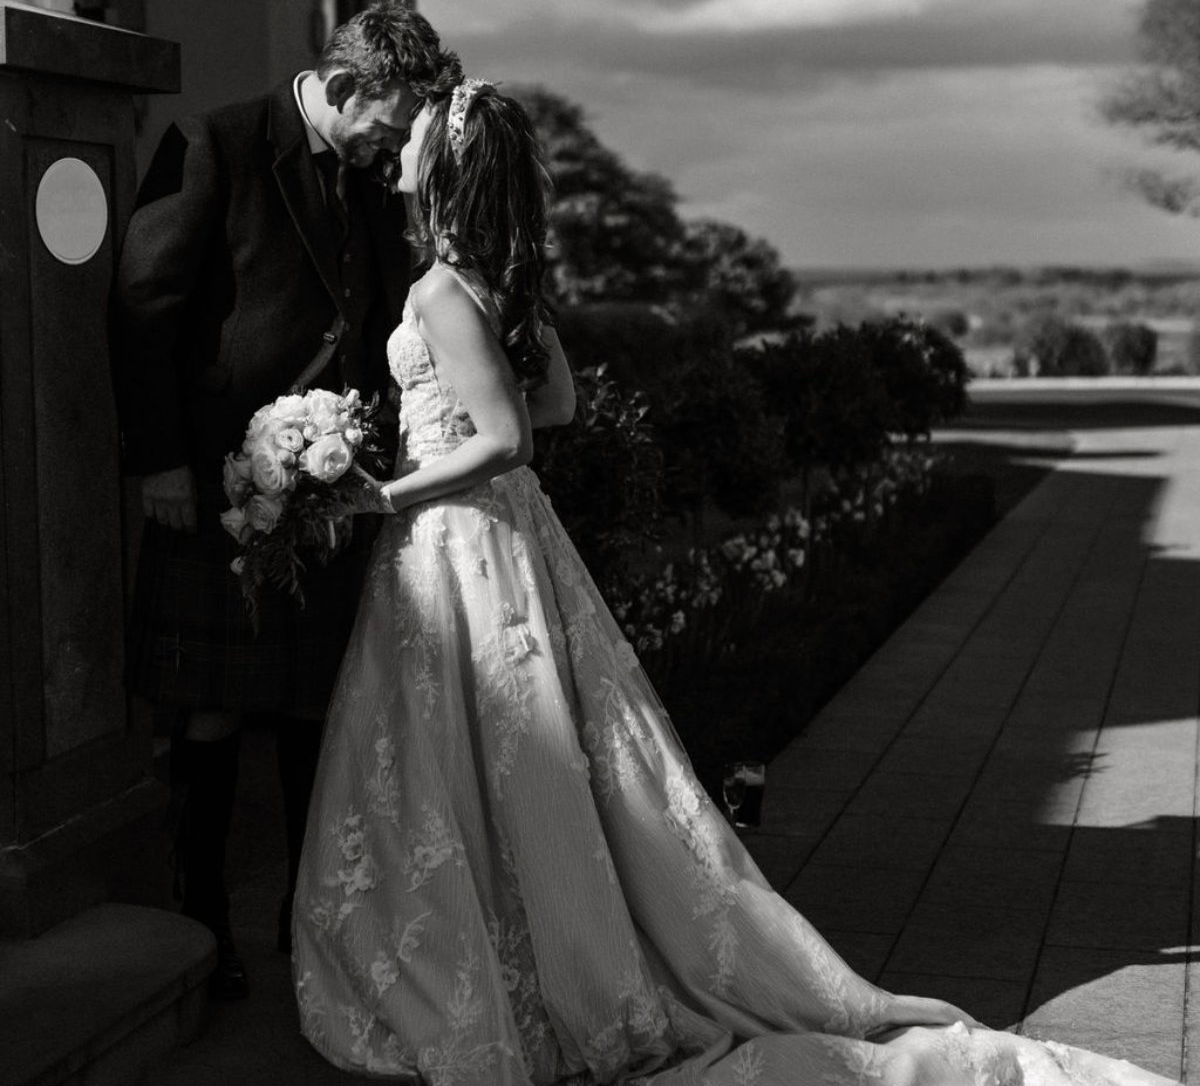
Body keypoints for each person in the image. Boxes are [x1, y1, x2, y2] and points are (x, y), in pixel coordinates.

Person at [291, 81, 1175, 1086]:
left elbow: (512, 435)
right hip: (503, 542)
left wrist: (387, 492)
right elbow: (563, 399)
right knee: (513, 756)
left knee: (466, 758)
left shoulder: (443, 292)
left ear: (441, 170)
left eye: (410, 143)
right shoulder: (487, 286)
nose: (397, 153)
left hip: (453, 542)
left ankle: (495, 969)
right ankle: (536, 950)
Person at [110, 0, 461, 1000]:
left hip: (333, 487)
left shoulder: (363, 179)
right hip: (222, 483)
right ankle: (198, 927)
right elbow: (142, 308)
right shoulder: (212, 143)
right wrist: (164, 461)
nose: (390, 149)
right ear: (346, 88)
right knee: (210, 710)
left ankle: (317, 934)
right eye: (387, 127)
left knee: (321, 708)